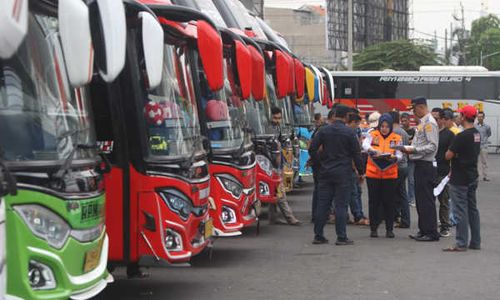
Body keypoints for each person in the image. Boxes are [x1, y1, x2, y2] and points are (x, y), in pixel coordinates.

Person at [309, 105, 364, 245]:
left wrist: (320, 162)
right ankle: (341, 236)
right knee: (341, 205)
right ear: (346, 117)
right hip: (343, 173)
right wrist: (361, 171)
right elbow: (357, 154)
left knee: (323, 204)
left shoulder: (324, 130)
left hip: (325, 172)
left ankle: (318, 235)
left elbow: (312, 149)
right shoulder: (349, 132)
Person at [443, 105, 481, 252]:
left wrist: (455, 154)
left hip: (460, 178)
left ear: (464, 116)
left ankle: (461, 242)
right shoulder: (476, 134)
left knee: (460, 210)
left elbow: (448, 155)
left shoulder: (461, 136)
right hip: (472, 176)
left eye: (459, 115)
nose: (458, 117)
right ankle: (475, 241)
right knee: (472, 209)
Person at [403, 97, 440, 242]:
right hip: (420, 165)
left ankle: (431, 232)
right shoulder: (423, 123)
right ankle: (423, 229)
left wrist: (414, 149)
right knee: (420, 200)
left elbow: (433, 146)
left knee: (426, 200)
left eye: (414, 109)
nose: (413, 112)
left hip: (426, 165)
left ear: (421, 107)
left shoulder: (429, 123)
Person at [363, 113, 402, 238]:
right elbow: (365, 145)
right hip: (373, 174)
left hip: (390, 175)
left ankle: (389, 229)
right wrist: (372, 151)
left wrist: (394, 157)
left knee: (389, 203)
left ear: (391, 126)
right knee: (373, 202)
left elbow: (400, 155)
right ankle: (373, 229)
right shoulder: (372, 134)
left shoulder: (397, 138)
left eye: (387, 126)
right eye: (382, 126)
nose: (384, 128)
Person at [268, 107, 301, 226]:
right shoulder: (267, 129)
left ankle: (273, 217)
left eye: (279, 118)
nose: (277, 120)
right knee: (280, 192)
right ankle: (290, 218)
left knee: (275, 191)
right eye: (275, 118)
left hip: (278, 163)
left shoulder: (279, 129)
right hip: (271, 164)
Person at [346, 113, 369, 225]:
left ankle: (357, 214)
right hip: (351, 167)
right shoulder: (350, 134)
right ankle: (358, 216)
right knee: (354, 192)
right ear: (352, 122)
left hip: (349, 167)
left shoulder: (351, 133)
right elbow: (354, 154)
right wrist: (359, 171)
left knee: (355, 192)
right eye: (357, 124)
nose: (358, 126)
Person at [389, 111, 410, 229]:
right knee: (402, 193)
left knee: (392, 193)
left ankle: (393, 217)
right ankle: (404, 219)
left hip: (395, 166)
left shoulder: (393, 133)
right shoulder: (404, 133)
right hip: (404, 165)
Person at [435, 109, 455, 237]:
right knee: (428, 201)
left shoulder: (450, 135)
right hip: (428, 171)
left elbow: (454, 155)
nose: (435, 121)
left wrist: (452, 171)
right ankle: (429, 226)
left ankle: (445, 226)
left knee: (444, 201)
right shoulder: (429, 133)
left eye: (437, 118)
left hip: (443, 172)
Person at [309, 113, 325, 222]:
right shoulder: (321, 131)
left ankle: (316, 215)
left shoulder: (318, 131)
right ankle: (318, 215)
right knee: (321, 190)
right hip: (320, 165)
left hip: (317, 164)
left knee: (318, 190)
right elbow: (313, 147)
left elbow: (311, 147)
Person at [401, 112, 416, 206]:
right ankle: (402, 198)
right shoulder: (401, 131)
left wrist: (409, 142)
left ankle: (411, 199)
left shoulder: (413, 131)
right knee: (401, 180)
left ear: (409, 120)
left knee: (411, 180)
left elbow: (415, 143)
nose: (403, 122)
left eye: (405, 120)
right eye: (402, 121)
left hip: (411, 159)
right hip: (403, 158)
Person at [475, 111, 491, 181]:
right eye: (478, 117)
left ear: (483, 117)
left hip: (484, 146)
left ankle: (486, 176)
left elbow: (489, 134)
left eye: (481, 116)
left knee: (484, 162)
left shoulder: (487, 126)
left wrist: (484, 140)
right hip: (476, 146)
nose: (480, 118)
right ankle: (476, 176)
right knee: (475, 162)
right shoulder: (475, 126)